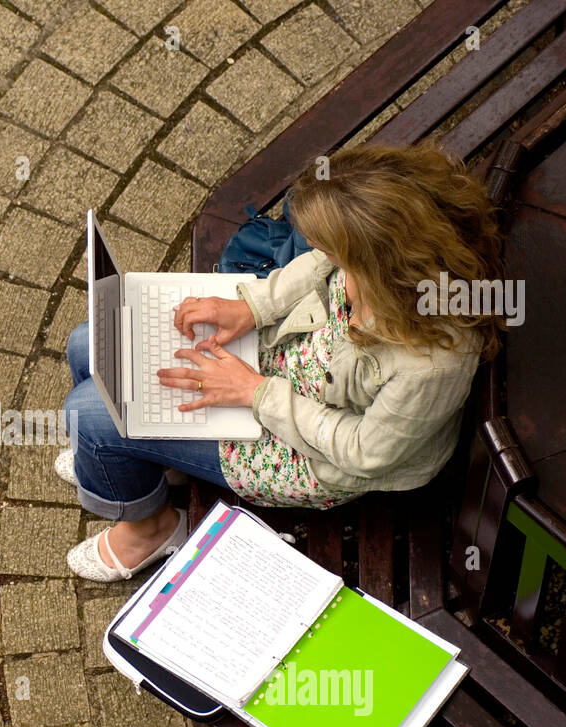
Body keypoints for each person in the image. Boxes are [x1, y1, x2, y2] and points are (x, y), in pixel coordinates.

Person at [59, 142, 504, 582]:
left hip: (310, 449)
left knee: (91, 419)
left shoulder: (431, 363)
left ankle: (150, 527)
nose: (312, 245)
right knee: (88, 345)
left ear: (377, 263)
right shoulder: (392, 253)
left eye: (331, 248)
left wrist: (254, 392)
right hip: (283, 363)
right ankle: (140, 464)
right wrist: (252, 306)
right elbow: (316, 265)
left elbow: (364, 453)